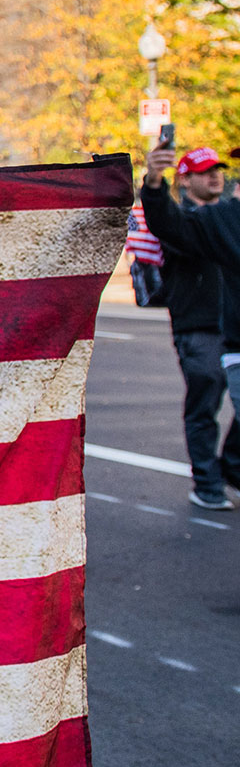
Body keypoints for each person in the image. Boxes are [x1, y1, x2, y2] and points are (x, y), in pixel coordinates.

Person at [140, 143, 240, 509]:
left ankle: (231, 468)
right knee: (206, 399)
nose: (215, 175)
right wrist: (153, 181)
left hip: (229, 327)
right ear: (185, 179)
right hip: (197, 326)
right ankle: (207, 484)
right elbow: (167, 224)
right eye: (204, 171)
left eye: (218, 169)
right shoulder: (192, 221)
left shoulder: (228, 215)